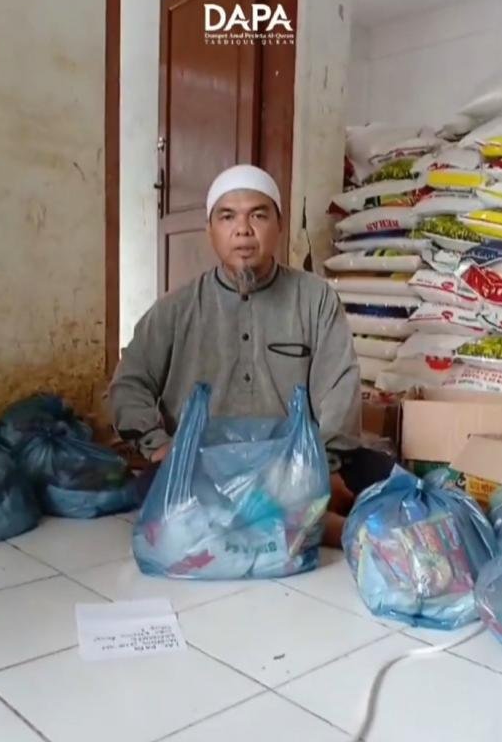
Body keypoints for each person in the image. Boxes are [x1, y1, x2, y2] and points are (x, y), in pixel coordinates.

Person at [109, 165, 394, 546]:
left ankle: (291, 518)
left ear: (279, 226)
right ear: (210, 230)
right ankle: (324, 526)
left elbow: (339, 388)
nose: (243, 230)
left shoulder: (315, 299)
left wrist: (321, 466)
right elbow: (129, 383)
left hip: (298, 461)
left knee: (387, 477)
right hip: (207, 466)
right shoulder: (176, 309)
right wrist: (158, 443)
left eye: (258, 215)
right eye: (227, 217)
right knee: (157, 492)